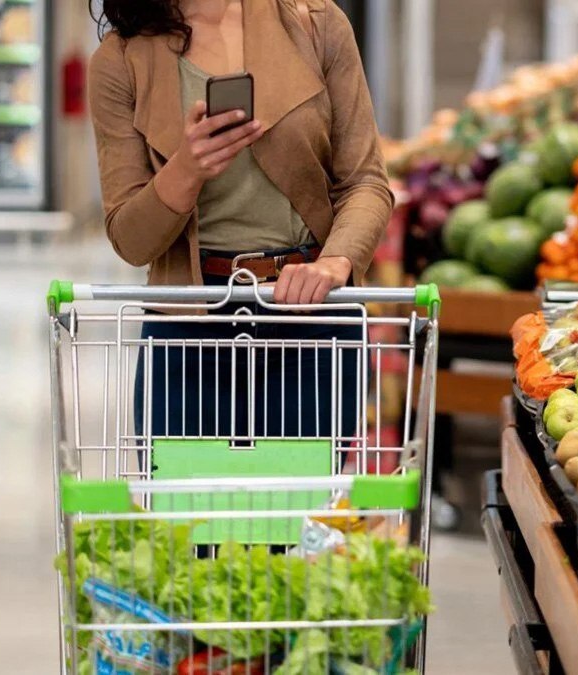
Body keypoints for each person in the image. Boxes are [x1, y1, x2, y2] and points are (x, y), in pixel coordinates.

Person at [88, 0, 393, 456]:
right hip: (188, 325)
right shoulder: (120, 60)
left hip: (310, 311)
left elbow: (365, 182)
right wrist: (187, 169)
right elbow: (130, 239)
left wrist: (335, 260)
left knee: (300, 518)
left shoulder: (315, 23)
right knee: (191, 521)